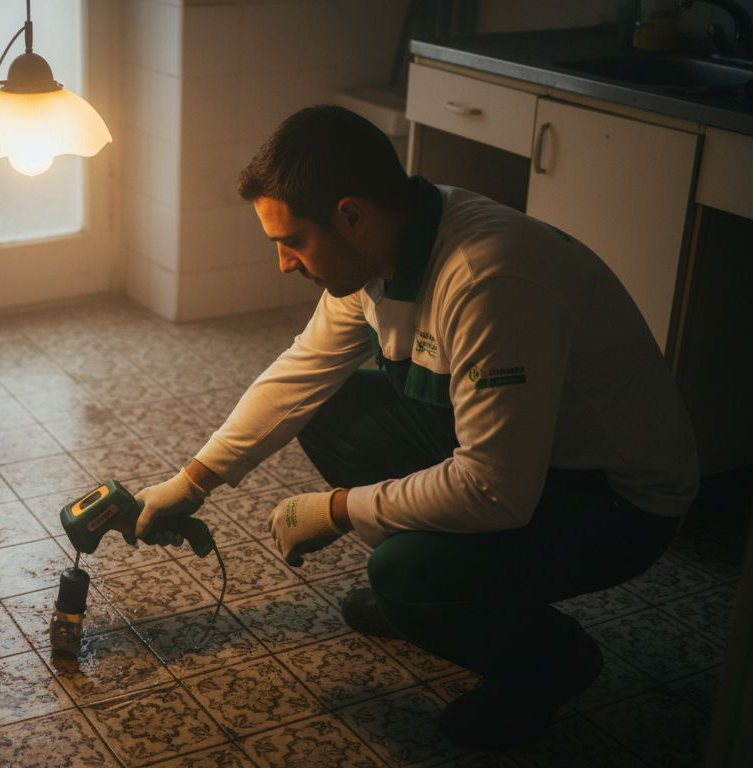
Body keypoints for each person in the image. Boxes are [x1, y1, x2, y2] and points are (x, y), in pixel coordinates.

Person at [132, 105, 698, 748]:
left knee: (402, 572)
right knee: (333, 408)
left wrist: (341, 508)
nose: (284, 263)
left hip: (616, 502)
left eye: (291, 242)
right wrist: (193, 480)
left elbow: (494, 490)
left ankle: (546, 661)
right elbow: (301, 373)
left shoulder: (489, 281)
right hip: (533, 462)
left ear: (351, 215)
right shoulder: (379, 250)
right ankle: (440, 598)